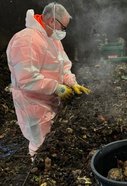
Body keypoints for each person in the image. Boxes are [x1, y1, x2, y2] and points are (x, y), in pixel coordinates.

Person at [6, 2, 91, 159]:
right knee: (40, 144)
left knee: (52, 140)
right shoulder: (26, 40)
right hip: (32, 104)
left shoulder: (51, 38)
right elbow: (26, 78)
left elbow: (63, 65)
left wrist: (72, 83)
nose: (63, 32)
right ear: (52, 21)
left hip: (49, 99)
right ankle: (39, 174)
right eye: (63, 27)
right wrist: (57, 88)